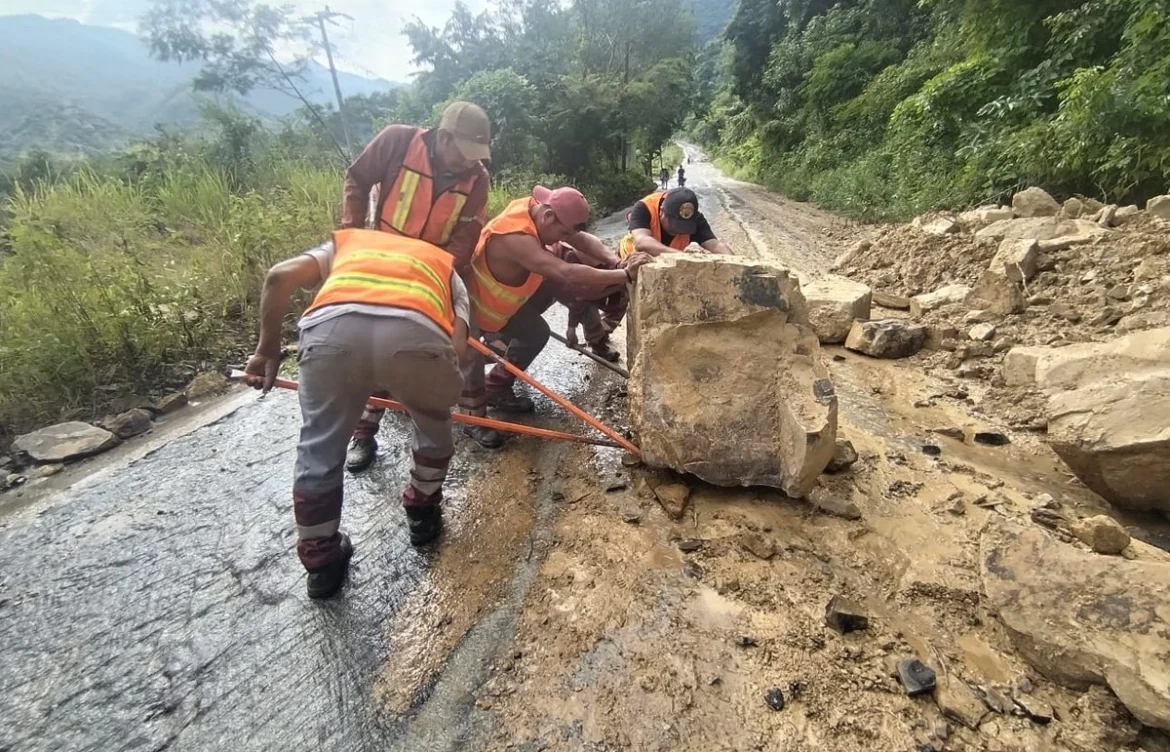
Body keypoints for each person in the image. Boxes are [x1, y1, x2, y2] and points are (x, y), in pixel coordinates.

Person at [243, 229, 471, 600]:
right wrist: (432, 387)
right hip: (415, 338)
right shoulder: (446, 268)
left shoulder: (349, 243)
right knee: (434, 424)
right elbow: (458, 350)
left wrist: (266, 350)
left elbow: (279, 277)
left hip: (331, 334)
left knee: (319, 447)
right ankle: (422, 512)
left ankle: (321, 562)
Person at [340, 101, 493, 471]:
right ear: (444, 138)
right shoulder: (397, 141)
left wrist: (435, 274)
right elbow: (357, 179)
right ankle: (363, 432)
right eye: (465, 153)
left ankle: (470, 416)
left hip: (433, 270)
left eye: (477, 155)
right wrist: (352, 235)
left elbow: (466, 237)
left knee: (459, 338)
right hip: (383, 261)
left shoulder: (478, 178)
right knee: (377, 348)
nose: (471, 162)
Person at [460, 186, 651, 441]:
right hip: (474, 309)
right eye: (562, 233)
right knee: (470, 359)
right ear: (549, 217)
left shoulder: (541, 211)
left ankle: (495, 387)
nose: (563, 239)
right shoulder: (515, 238)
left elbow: (581, 239)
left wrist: (617, 261)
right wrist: (625, 274)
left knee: (536, 333)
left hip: (503, 308)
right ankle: (472, 419)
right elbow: (565, 272)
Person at [619, 187, 733, 258]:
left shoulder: (695, 217)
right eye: (675, 225)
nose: (678, 231)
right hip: (634, 255)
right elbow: (642, 242)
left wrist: (735, 262)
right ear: (662, 212)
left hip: (673, 256)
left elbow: (715, 245)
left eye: (684, 227)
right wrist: (682, 256)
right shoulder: (644, 207)